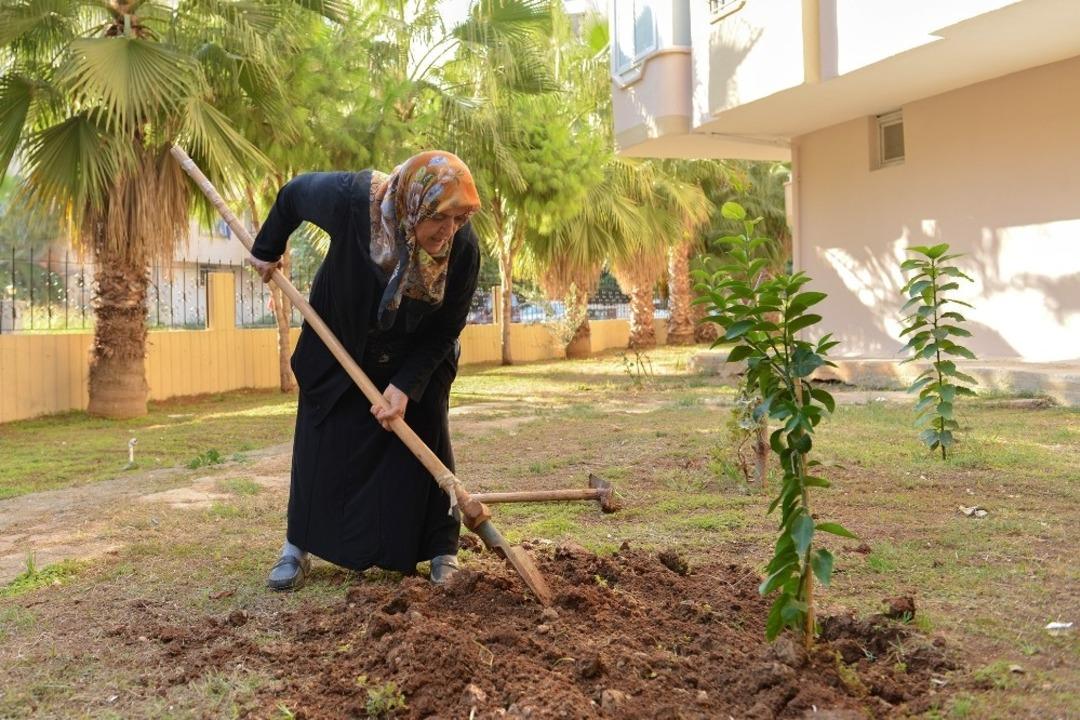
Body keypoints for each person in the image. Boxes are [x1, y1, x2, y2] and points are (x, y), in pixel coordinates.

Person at [249, 151, 482, 591]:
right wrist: (267, 248)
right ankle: (295, 549)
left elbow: (448, 327)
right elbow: (294, 195)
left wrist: (404, 385)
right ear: (416, 204)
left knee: (427, 432)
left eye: (459, 219)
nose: (448, 231)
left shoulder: (463, 247)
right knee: (322, 438)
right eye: (440, 219)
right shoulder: (354, 199)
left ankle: (440, 551)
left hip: (415, 352)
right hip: (339, 337)